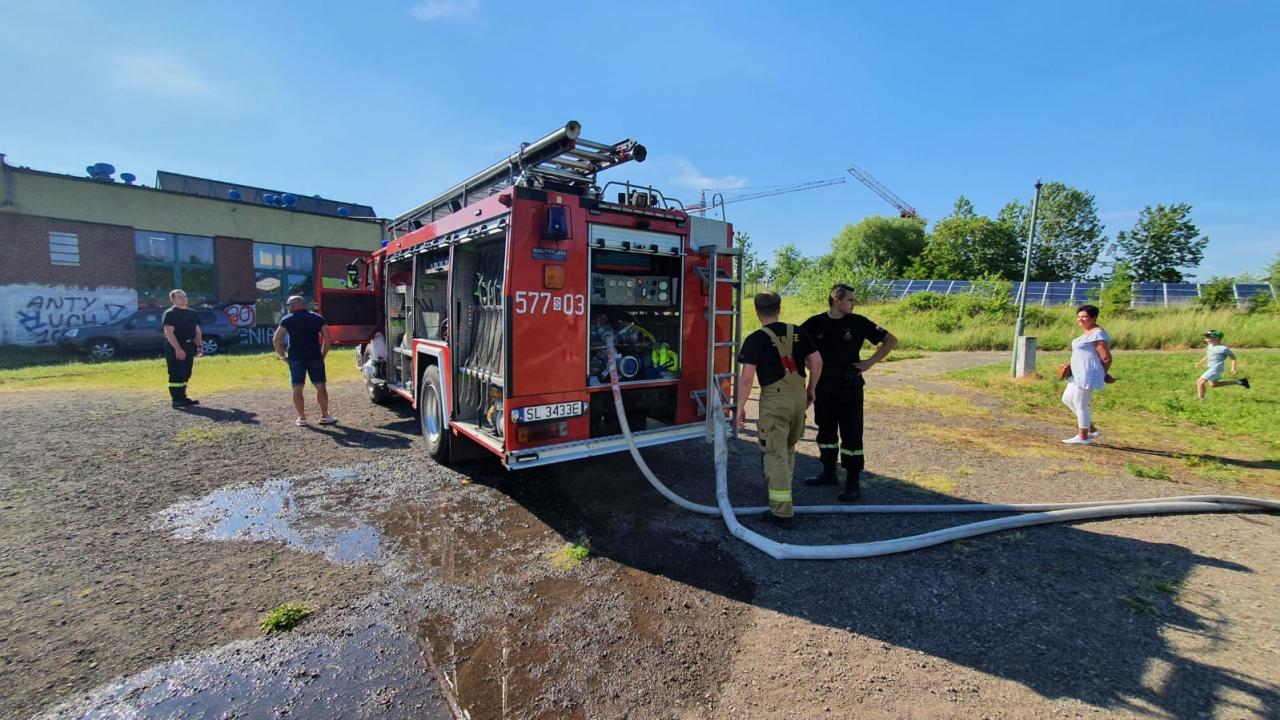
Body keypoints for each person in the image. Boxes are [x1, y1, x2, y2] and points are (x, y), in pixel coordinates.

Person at [800, 283, 897, 501]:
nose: (854, 303)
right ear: (836, 299)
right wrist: (808, 362)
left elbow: (891, 340)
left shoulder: (858, 322)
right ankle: (828, 472)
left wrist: (868, 363)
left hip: (849, 385)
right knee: (825, 431)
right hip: (824, 384)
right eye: (850, 300)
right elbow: (797, 344)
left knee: (852, 433)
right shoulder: (815, 323)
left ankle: (853, 482)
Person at [735, 292, 823, 528]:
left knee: (774, 453)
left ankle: (782, 513)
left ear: (756, 311)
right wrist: (811, 390)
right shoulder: (798, 332)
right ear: (779, 308)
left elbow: (746, 378)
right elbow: (817, 362)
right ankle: (783, 495)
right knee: (788, 449)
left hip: (775, 401)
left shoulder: (755, 339)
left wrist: (740, 407)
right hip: (798, 396)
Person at [273, 295, 336, 427]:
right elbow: (327, 339)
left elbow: (276, 340)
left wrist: (283, 356)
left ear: (296, 304)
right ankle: (325, 416)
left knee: (297, 388)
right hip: (315, 356)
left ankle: (302, 418)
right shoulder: (318, 318)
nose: (288, 308)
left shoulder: (287, 320)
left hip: (295, 358)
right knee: (320, 386)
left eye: (288, 305)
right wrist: (322, 355)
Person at [1060, 304, 1112, 445]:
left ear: (1093, 317)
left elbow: (1106, 357)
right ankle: (1091, 429)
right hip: (1077, 373)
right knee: (1067, 399)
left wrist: (1103, 373)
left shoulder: (1097, 334)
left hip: (1087, 374)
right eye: (1078, 316)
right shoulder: (1087, 333)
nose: (1081, 319)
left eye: (1084, 317)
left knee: (1080, 403)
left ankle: (1082, 437)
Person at [162, 289, 203, 408]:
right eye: (179, 297)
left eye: (184, 296)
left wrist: (199, 346)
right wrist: (178, 349)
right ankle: (176, 399)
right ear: (173, 300)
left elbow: (197, 331)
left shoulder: (192, 313)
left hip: (189, 345)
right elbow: (169, 333)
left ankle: (183, 397)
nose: (183, 298)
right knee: (176, 372)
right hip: (175, 346)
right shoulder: (170, 313)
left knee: (186, 372)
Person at [1195, 329, 1250, 399]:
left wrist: (1233, 368)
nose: (1206, 339)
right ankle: (1240, 382)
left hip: (1216, 368)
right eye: (1205, 337)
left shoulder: (1223, 348)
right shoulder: (1210, 346)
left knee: (1200, 382)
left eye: (1208, 337)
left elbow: (1233, 358)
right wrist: (1200, 363)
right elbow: (1208, 355)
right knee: (1213, 384)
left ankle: (1201, 400)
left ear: (1216, 338)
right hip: (1212, 368)